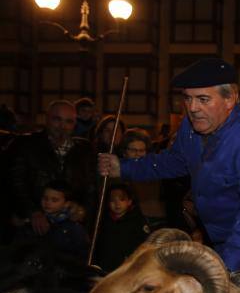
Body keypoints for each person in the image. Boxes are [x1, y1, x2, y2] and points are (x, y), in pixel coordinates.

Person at [98, 57, 240, 272]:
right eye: (188, 99)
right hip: (220, 238)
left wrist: (224, 268)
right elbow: (174, 161)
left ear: (230, 99)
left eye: (203, 99)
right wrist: (124, 167)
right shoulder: (191, 127)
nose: (192, 108)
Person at [9, 100, 95, 234]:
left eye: (69, 121)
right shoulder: (24, 145)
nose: (63, 126)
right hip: (30, 228)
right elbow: (14, 183)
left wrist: (83, 210)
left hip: (70, 229)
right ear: (46, 119)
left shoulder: (85, 150)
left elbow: (91, 188)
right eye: (57, 119)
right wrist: (32, 212)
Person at [16, 179, 89, 260]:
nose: (47, 202)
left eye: (54, 200)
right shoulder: (38, 221)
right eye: (45, 198)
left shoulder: (74, 227)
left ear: (66, 204)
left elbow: (82, 253)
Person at [94, 183, 150, 272]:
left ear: (129, 202)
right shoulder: (102, 221)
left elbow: (144, 245)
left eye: (122, 199)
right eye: (112, 200)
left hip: (127, 268)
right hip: (105, 267)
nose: (117, 204)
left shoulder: (137, 221)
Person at [120, 129, 167, 229]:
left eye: (141, 150)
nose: (138, 154)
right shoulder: (120, 174)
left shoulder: (153, 172)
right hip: (131, 222)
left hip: (157, 220)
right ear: (124, 152)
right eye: (133, 150)